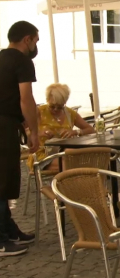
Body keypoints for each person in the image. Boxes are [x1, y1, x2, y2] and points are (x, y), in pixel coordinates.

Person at [0, 21, 40, 256]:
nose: (35, 46)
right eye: (35, 40)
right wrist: (34, 130)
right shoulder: (22, 61)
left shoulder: (1, 57)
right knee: (3, 181)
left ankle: (9, 228)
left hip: (7, 121)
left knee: (4, 180)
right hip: (3, 126)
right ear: (27, 39)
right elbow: (26, 98)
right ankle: (2, 239)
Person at [27, 83, 95, 171]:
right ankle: (68, 184)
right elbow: (25, 133)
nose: (55, 109)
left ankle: (82, 183)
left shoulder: (70, 114)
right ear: (47, 100)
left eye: (59, 107)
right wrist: (38, 133)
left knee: (83, 158)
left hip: (64, 152)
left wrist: (76, 132)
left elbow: (91, 130)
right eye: (52, 106)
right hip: (43, 155)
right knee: (70, 162)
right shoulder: (40, 112)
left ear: (65, 103)